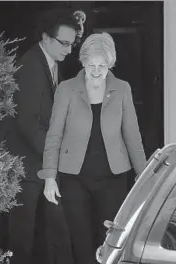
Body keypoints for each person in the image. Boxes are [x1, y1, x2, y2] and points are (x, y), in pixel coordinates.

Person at [37, 32, 147, 264]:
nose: (96, 71)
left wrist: (143, 177)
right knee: (81, 242)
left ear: (110, 64)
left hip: (113, 179)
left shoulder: (122, 89)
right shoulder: (67, 89)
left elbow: (133, 136)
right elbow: (54, 135)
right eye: (91, 65)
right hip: (74, 179)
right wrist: (49, 177)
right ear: (83, 63)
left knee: (109, 242)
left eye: (102, 65)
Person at [0, 9, 86, 264]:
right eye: (65, 43)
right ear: (46, 37)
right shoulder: (30, 66)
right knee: (22, 238)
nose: (70, 51)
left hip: (40, 165)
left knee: (53, 232)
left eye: (73, 44)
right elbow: (27, 122)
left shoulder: (49, 61)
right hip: (27, 166)